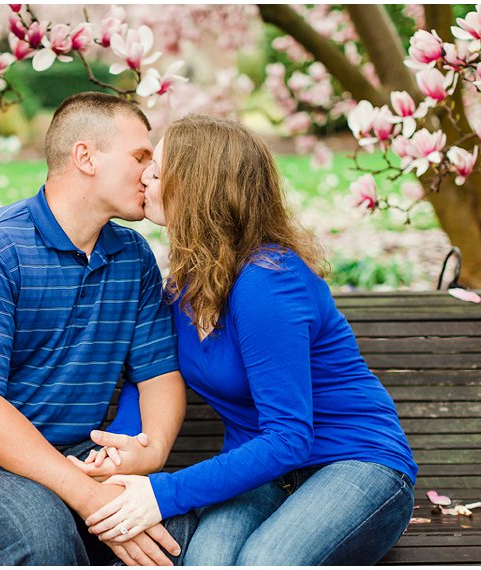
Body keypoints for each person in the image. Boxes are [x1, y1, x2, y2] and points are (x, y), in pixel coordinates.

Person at [76, 115, 418, 565]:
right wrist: (118, 449)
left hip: (356, 464)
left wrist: (162, 493)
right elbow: (152, 373)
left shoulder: (267, 283)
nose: (143, 175)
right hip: (261, 474)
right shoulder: (185, 286)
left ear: (198, 189)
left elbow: (289, 437)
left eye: (158, 171)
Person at [0, 92, 197, 566]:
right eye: (140, 156)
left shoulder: (132, 257)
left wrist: (150, 452)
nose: (150, 172)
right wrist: (89, 497)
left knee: (170, 531)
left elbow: (158, 373)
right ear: (85, 157)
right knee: (41, 535)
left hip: (72, 451)